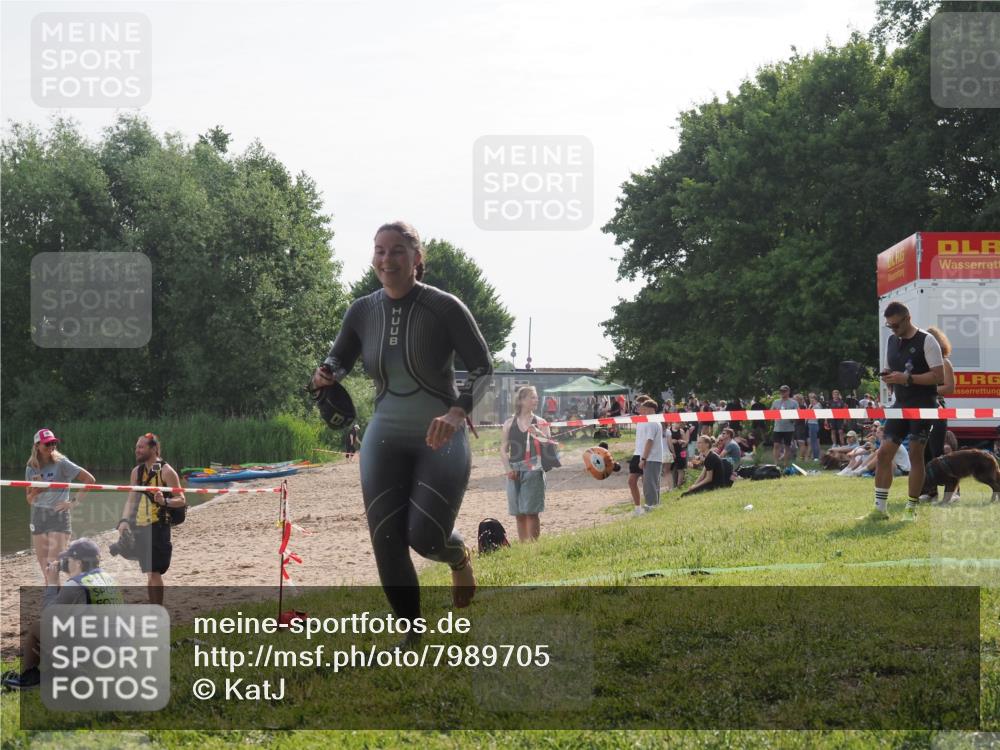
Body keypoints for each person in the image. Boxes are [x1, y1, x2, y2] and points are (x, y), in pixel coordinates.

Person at [311, 221, 492, 634]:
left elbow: (482, 368)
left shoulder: (444, 306)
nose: (386, 259)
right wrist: (324, 376)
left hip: (440, 436)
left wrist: (457, 413)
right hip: (384, 435)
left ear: (416, 259)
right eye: (379, 251)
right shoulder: (361, 310)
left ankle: (459, 557)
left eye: (396, 251)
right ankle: (412, 631)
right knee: (386, 539)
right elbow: (337, 359)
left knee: (426, 537)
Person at [1, 538, 122, 690]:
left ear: (78, 562)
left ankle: (29, 678)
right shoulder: (107, 578)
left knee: (38, 627)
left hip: (93, 655)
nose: (64, 562)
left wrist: (52, 582)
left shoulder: (75, 584)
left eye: (68, 558)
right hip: (115, 653)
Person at [866, 301, 944, 520]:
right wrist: (888, 376)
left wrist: (907, 378)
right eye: (889, 326)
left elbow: (939, 377)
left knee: (915, 455)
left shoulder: (927, 341)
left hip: (923, 406)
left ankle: (911, 508)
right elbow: (890, 368)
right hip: (899, 405)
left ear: (907, 318)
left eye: (896, 325)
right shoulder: (892, 340)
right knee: (883, 454)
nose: (893, 330)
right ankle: (880, 509)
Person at [116, 433, 187, 605]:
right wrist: (124, 520)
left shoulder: (167, 471)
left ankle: (157, 608)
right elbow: (131, 499)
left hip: (158, 526)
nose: (137, 450)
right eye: (136, 447)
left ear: (153, 448)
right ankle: (154, 605)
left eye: (141, 447)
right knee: (149, 571)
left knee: (154, 572)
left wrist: (165, 501)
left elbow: (182, 500)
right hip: (140, 526)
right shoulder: (136, 472)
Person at [24, 429, 95, 579]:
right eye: (48, 444)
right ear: (37, 445)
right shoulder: (31, 467)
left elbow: (90, 480)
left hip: (59, 515)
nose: (52, 446)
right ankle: (53, 600)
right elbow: (29, 500)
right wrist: (37, 491)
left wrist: (72, 503)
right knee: (45, 570)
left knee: (52, 566)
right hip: (38, 516)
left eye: (54, 443)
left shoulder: (62, 463)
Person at [501, 386, 548, 542]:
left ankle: (533, 548)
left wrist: (538, 433)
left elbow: (549, 445)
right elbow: (503, 449)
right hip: (513, 469)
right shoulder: (508, 423)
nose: (536, 400)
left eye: (536, 397)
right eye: (532, 397)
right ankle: (523, 548)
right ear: (521, 400)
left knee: (531, 511)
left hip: (534, 468)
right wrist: (508, 469)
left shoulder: (541, 422)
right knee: (518, 513)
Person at [921, 326, 957, 501]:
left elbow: (950, 387)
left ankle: (954, 492)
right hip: (921, 410)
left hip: (938, 409)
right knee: (923, 452)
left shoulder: (944, 362)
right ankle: (929, 491)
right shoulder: (922, 363)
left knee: (938, 452)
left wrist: (928, 388)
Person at [635, 399, 665, 512]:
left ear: (649, 409)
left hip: (651, 458)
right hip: (652, 457)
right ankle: (654, 506)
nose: (640, 410)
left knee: (649, 484)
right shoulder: (652, 421)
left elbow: (649, 441)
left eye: (642, 408)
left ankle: (650, 507)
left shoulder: (652, 422)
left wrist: (643, 458)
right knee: (653, 483)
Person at [771, 385, 798, 469]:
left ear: (788, 392)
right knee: (776, 445)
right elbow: (770, 413)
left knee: (787, 446)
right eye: (781, 391)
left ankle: (785, 464)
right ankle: (776, 464)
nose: (783, 393)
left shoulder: (794, 402)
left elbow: (798, 414)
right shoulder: (776, 402)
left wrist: (793, 418)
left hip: (789, 428)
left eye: (785, 391)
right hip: (778, 427)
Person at [667, 418, 691, 491]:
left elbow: (686, 442)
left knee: (681, 469)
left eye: (680, 423)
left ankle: (678, 486)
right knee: (670, 469)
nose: (679, 425)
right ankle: (672, 486)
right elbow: (666, 440)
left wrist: (681, 441)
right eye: (678, 423)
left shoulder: (681, 431)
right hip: (670, 451)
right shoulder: (669, 430)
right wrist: (671, 441)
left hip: (680, 451)